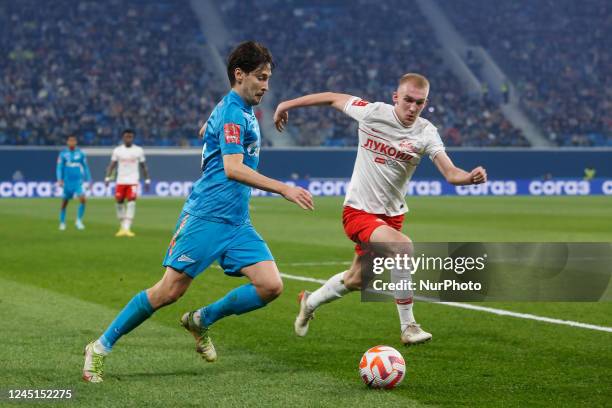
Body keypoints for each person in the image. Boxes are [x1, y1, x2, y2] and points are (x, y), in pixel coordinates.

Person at [83, 41, 314, 383]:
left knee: (270, 285)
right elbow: (234, 168)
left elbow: (204, 130)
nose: (266, 85)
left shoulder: (237, 109)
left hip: (236, 221)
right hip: (207, 216)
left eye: (268, 78)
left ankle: (202, 319)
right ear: (240, 75)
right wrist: (284, 187)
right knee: (168, 292)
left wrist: (212, 128)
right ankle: (100, 347)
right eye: (261, 78)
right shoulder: (235, 112)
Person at [273, 73, 487, 345]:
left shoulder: (426, 131)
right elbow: (331, 98)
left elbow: (450, 172)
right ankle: (409, 326)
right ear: (395, 97)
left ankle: (309, 302)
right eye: (407, 100)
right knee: (403, 247)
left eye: (419, 103)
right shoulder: (372, 113)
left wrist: (469, 178)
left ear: (425, 103)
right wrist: (285, 105)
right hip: (358, 212)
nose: (412, 108)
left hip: (391, 218)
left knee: (356, 280)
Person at [104, 129, 151, 237]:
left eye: (130, 136)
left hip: (133, 181)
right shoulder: (117, 150)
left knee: (131, 202)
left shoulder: (138, 150)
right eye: (126, 136)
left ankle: (127, 228)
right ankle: (122, 227)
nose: (128, 138)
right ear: (123, 138)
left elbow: (143, 166)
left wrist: (147, 179)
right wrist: (107, 177)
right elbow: (112, 165)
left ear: (133, 138)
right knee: (119, 202)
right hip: (120, 180)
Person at [56, 134, 91, 231]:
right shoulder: (63, 154)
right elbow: (59, 168)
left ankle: (79, 221)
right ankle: (62, 223)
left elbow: (85, 167)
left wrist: (89, 180)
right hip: (67, 182)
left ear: (76, 142)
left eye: (73, 141)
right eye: (70, 140)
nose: (72, 142)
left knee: (83, 199)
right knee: (64, 203)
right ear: (67, 142)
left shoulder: (80, 153)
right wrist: (59, 179)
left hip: (78, 182)